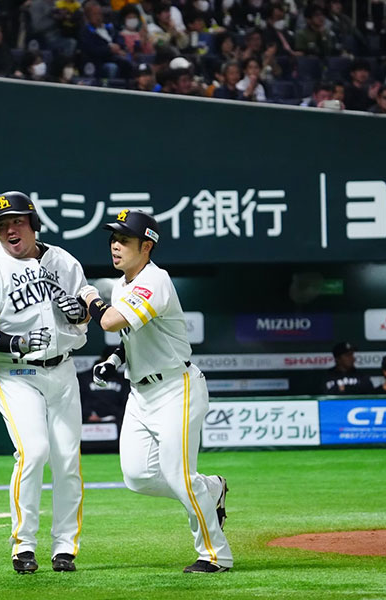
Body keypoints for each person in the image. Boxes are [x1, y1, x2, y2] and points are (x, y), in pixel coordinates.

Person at [78, 209, 232, 574]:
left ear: (146, 246)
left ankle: (216, 554)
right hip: (141, 393)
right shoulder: (122, 284)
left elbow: (111, 320)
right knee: (137, 476)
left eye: (124, 240)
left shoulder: (154, 280)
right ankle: (209, 489)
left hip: (176, 389)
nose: (115, 246)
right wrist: (113, 362)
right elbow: (132, 337)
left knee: (178, 475)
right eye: (113, 239)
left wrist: (90, 298)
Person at [0, 191, 88, 574]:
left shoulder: (63, 261)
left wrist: (81, 312)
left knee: (67, 461)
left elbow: (84, 311)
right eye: (1, 225)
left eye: (16, 221)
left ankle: (65, 547)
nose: (9, 229)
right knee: (34, 452)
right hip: (16, 373)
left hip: (62, 370)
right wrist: (13, 342)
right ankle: (23, 545)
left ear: (33, 224)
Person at [79, 346, 129, 424]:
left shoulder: (123, 380)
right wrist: (87, 415)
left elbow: (126, 403)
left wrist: (116, 417)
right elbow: (79, 401)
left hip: (117, 423)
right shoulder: (84, 378)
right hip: (89, 422)